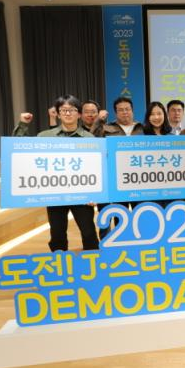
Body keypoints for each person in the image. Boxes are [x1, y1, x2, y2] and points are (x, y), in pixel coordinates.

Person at [12, 95, 99, 252]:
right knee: (57, 234)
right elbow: (20, 148)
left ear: (79, 114)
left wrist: (95, 194)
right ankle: (60, 265)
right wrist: (23, 124)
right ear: (58, 114)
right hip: (55, 194)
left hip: (82, 194)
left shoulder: (89, 138)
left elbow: (96, 168)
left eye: (72, 110)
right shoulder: (45, 136)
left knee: (89, 233)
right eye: (63, 110)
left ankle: (93, 264)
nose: (68, 113)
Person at [91, 96, 144, 239]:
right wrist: (98, 120)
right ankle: (120, 242)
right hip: (117, 180)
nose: (125, 112)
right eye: (121, 110)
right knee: (120, 214)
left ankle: (139, 242)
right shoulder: (106, 128)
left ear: (132, 110)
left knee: (140, 215)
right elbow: (91, 140)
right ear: (115, 113)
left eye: (127, 109)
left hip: (140, 180)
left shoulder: (142, 128)